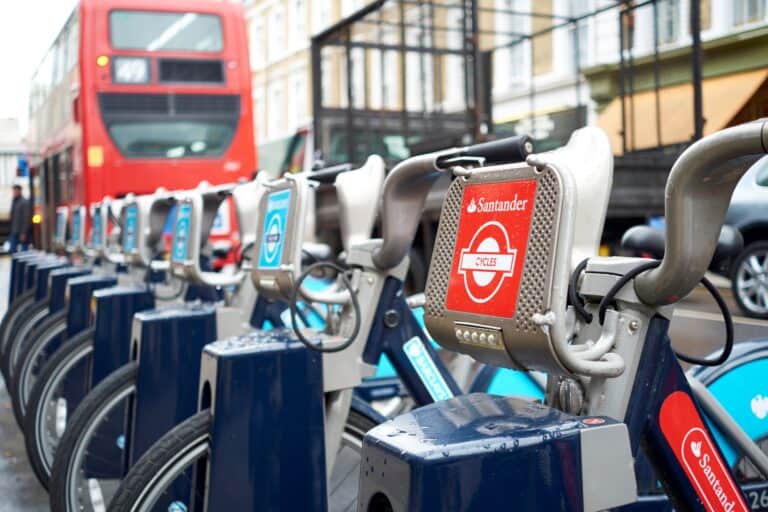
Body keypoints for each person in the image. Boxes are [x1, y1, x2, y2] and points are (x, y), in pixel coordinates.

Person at [9, 184, 31, 253]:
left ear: (20, 191)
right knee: (13, 251)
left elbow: (26, 218)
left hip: (21, 231)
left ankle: (22, 264)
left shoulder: (24, 202)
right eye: (13, 191)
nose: (14, 193)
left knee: (24, 251)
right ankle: (15, 264)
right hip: (14, 230)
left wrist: (23, 232)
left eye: (15, 191)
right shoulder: (14, 201)